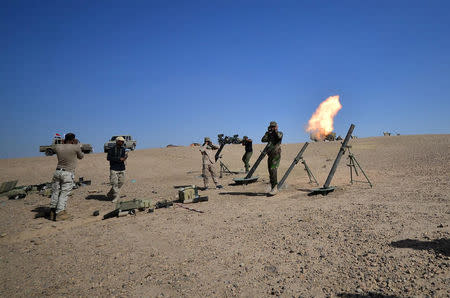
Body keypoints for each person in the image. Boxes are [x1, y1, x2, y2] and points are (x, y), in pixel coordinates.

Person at [49, 133, 84, 221]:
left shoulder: (58, 147)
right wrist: (77, 145)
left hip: (57, 171)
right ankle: (60, 213)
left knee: (55, 192)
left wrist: (64, 142)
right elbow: (81, 156)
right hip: (68, 173)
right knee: (64, 193)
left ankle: (52, 211)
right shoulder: (75, 147)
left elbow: (53, 148)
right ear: (73, 140)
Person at [261, 121, 283, 196]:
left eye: (274, 126)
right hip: (270, 155)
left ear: (276, 127)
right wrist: (267, 133)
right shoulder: (269, 135)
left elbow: (279, 137)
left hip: (276, 154)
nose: (272, 128)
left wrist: (275, 131)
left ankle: (275, 188)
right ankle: (273, 186)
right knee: (270, 171)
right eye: (271, 127)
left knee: (273, 169)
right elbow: (263, 140)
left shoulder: (279, 133)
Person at [107, 136, 128, 202]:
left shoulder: (123, 149)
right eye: (121, 141)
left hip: (122, 168)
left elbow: (123, 158)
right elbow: (108, 158)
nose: (122, 142)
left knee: (121, 182)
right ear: (117, 141)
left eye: (123, 141)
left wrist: (125, 158)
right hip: (114, 168)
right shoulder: (111, 149)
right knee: (114, 183)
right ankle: (116, 197)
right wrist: (119, 159)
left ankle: (110, 193)